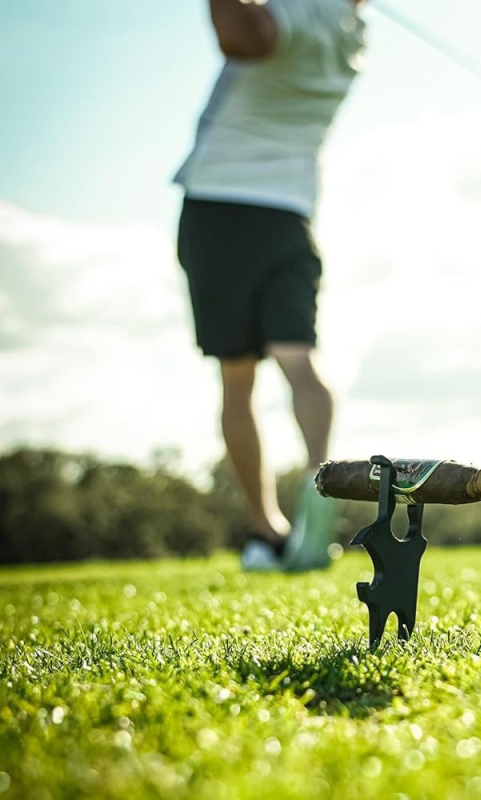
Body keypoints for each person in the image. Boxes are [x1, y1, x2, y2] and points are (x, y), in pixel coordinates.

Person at [174, 0, 367, 571]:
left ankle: (266, 528)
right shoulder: (349, 32)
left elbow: (241, 33)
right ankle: (320, 482)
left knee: (237, 377)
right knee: (299, 360)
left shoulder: (302, 16)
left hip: (221, 209)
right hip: (291, 216)